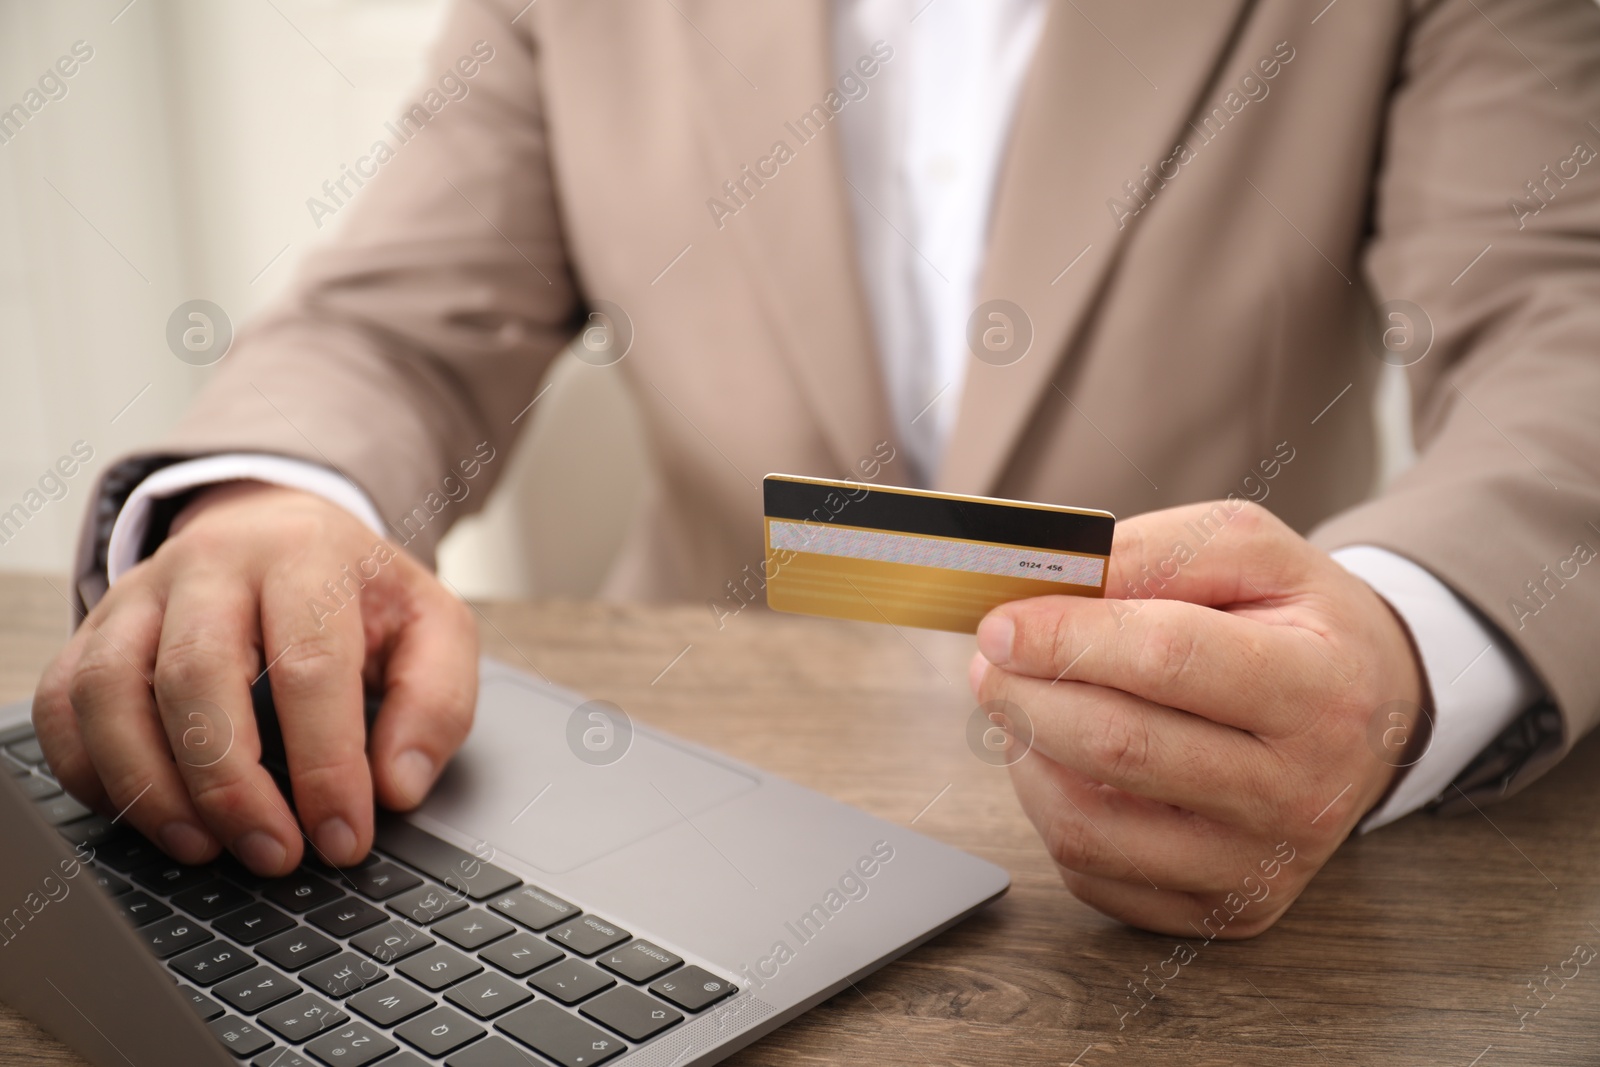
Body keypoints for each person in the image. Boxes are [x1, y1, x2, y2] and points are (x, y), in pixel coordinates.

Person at [32, 0, 1600, 938]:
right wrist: (265, 508)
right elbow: (401, 322)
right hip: (669, 845)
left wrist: (1396, 650)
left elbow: (1561, 323)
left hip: (1192, 819)